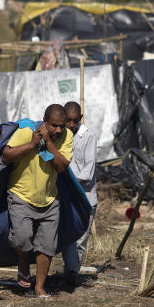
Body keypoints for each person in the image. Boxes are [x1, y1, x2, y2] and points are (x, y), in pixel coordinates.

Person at [1, 104, 73, 298]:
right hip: (21, 195)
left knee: (47, 246)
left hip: (49, 198)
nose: (59, 130)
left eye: (62, 126)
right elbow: (6, 156)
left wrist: (48, 142)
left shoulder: (66, 136)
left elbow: (61, 167)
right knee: (22, 239)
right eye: (54, 126)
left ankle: (39, 287)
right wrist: (32, 145)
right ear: (44, 121)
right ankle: (24, 266)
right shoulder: (26, 132)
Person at [61, 101, 99, 286]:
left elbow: (88, 168)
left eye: (75, 121)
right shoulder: (59, 134)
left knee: (80, 239)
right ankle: (70, 272)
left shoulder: (88, 135)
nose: (71, 125)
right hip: (65, 196)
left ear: (80, 119)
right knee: (67, 237)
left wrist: (71, 185)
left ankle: (71, 274)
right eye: (68, 120)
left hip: (84, 196)